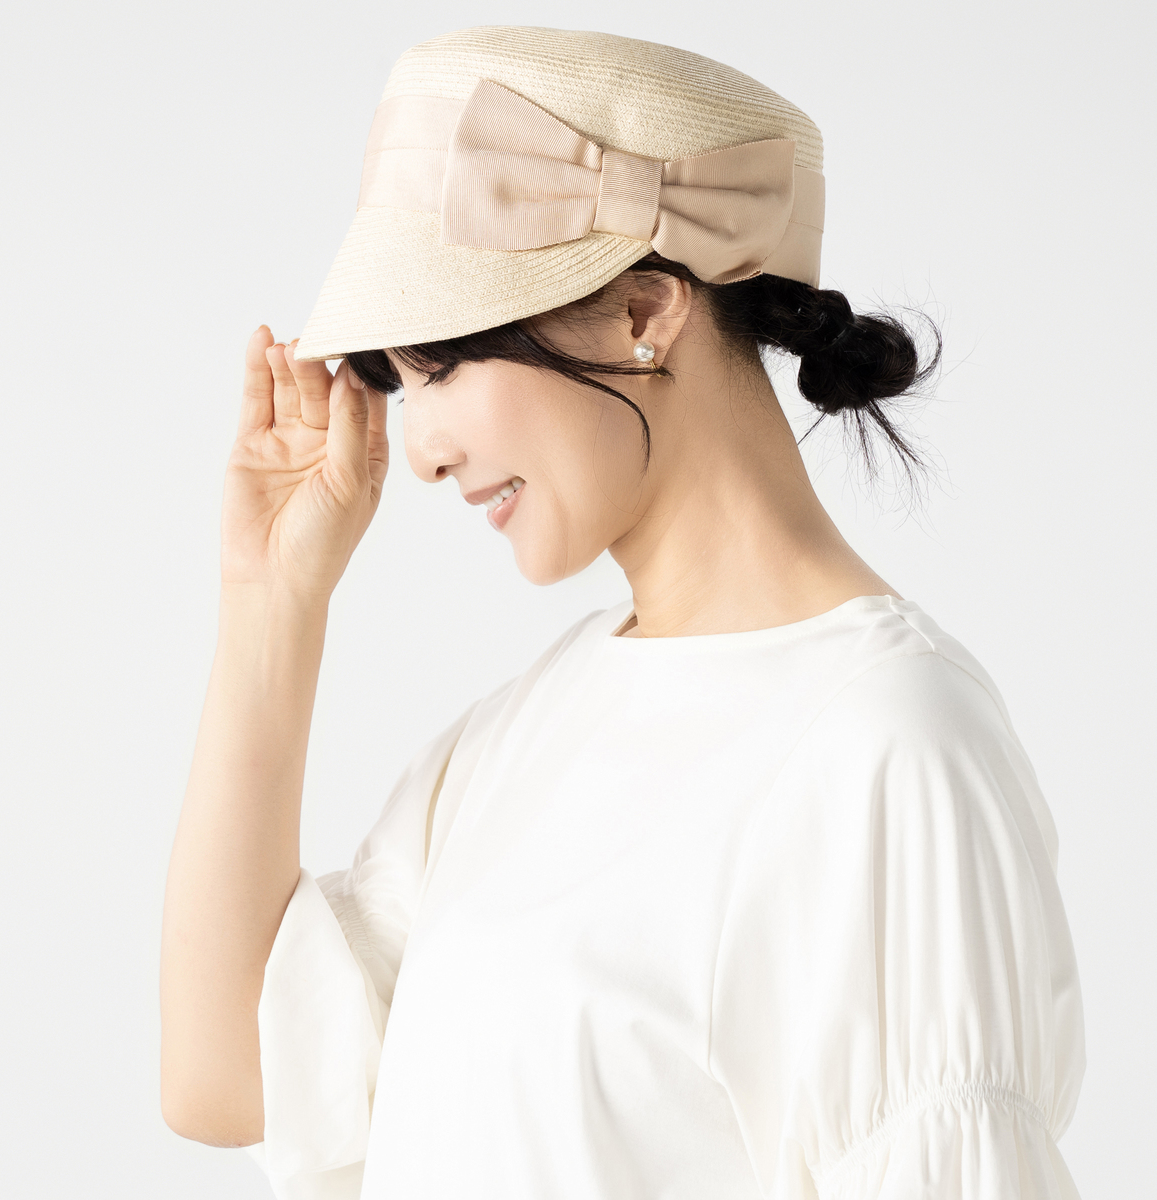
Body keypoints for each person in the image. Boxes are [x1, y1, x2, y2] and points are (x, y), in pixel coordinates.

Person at [159, 25, 1085, 1200]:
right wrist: (271, 597)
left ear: (645, 310)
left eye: (443, 366)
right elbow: (230, 1079)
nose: (421, 451)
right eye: (400, 380)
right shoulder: (529, 730)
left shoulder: (890, 747)